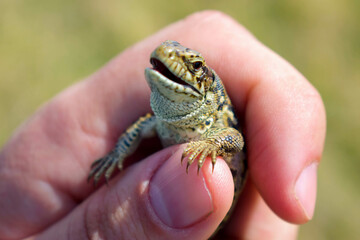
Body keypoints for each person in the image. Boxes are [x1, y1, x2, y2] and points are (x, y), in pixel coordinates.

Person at [0, 11, 326, 240]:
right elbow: (140, 128)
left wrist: (210, 147)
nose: (165, 54)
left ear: (208, 90)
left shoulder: (217, 124)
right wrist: (116, 155)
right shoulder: (159, 118)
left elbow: (235, 140)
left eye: (194, 66)